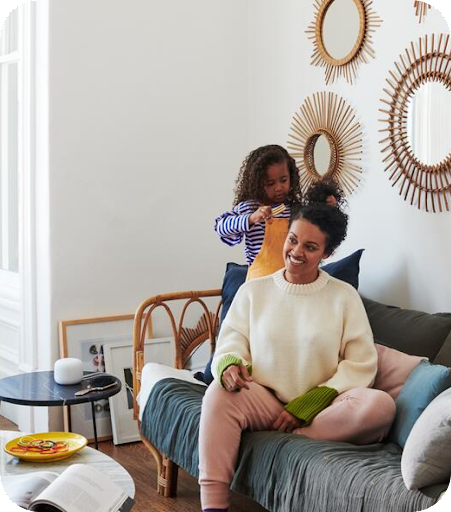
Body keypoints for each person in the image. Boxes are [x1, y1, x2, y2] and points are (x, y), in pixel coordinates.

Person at [198, 187, 396, 512]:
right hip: (264, 400)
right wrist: (230, 364)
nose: (296, 251)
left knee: (380, 405)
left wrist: (309, 404)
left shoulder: (343, 296)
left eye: (310, 246)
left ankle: (298, 436)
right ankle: (214, 507)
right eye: (292, 239)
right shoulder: (254, 291)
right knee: (218, 394)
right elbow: (232, 339)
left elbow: (360, 364)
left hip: (320, 408)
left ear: (327, 253)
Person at [214, 144, 303, 280]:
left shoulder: (295, 210)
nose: (278, 187)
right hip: (258, 284)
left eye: (283, 180)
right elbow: (221, 227)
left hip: (290, 283)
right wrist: (251, 218)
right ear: (257, 183)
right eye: (270, 183)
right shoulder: (249, 208)